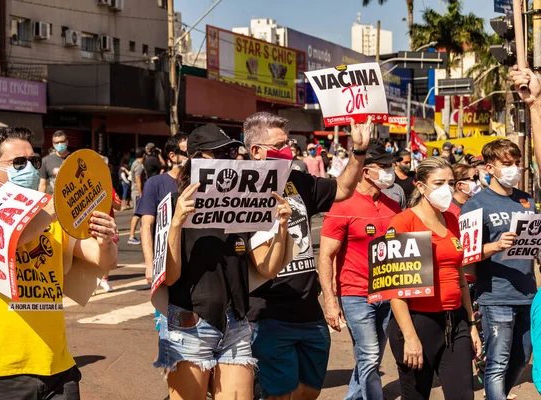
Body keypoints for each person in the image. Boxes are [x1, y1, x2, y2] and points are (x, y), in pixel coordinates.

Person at [0, 127, 118, 400]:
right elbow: (16, 235)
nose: (30, 169)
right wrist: (61, 204)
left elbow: (103, 260)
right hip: (0, 373)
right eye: (19, 163)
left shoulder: (51, 217)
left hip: (58, 369)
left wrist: (106, 240)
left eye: (34, 162)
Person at [155, 123, 292, 400]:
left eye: (230, 151)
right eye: (217, 153)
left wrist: (282, 228)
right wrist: (177, 223)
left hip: (236, 325)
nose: (227, 158)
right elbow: (169, 277)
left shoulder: (243, 201)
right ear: (195, 160)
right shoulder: (173, 202)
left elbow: (267, 267)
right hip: (189, 323)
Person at [243, 112, 371, 400]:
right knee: (280, 394)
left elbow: (342, 189)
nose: (289, 150)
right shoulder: (241, 190)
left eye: (288, 143)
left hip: (308, 312)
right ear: (256, 151)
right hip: (267, 313)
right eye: (280, 144)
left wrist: (359, 151)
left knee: (309, 391)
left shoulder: (296, 180)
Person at [387, 157, 481, 399]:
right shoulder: (403, 222)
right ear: (420, 186)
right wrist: (409, 336)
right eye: (438, 183)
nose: (446, 189)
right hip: (418, 322)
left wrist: (471, 324)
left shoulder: (451, 220)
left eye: (450, 182)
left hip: (455, 320)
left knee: (463, 395)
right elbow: (394, 287)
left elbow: (460, 274)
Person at [319, 140, 401, 400]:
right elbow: (325, 256)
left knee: (373, 357)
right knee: (367, 354)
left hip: (387, 294)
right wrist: (330, 302)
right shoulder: (341, 205)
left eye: (392, 165)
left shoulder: (393, 205)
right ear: (366, 171)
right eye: (385, 166)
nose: (391, 171)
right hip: (355, 295)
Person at [461, 139, 536, 400]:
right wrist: (494, 246)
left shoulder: (527, 201)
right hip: (496, 297)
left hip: (527, 293)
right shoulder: (475, 204)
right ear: (490, 168)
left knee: (523, 357)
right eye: (507, 164)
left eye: (517, 164)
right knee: (497, 362)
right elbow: (465, 254)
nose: (514, 169)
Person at [140, 133, 188, 286]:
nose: (193, 158)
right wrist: (150, 264)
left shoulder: (200, 182)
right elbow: (146, 226)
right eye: (188, 153)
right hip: (167, 263)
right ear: (173, 156)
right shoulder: (155, 184)